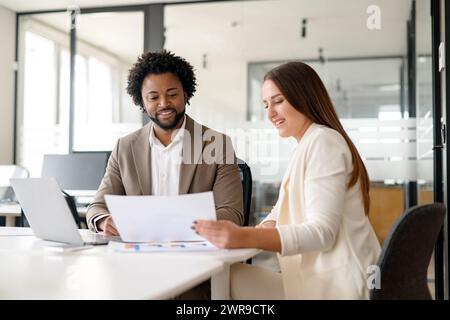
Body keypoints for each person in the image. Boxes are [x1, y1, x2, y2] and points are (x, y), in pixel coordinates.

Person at [194, 61, 381, 300]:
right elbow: (280, 211)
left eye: (278, 101)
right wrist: (253, 230)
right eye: (266, 105)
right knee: (230, 276)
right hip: (320, 280)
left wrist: (244, 236)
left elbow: (322, 233)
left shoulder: (323, 143)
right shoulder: (308, 144)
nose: (270, 113)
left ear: (304, 96)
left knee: (226, 279)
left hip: (340, 288)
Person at [86, 50, 243, 299]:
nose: (164, 104)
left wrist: (178, 226)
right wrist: (105, 220)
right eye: (153, 97)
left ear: (186, 93)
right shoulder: (125, 147)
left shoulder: (215, 144)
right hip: (135, 271)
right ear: (141, 101)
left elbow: (232, 213)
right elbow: (96, 207)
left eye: (172, 94)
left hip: (196, 271)